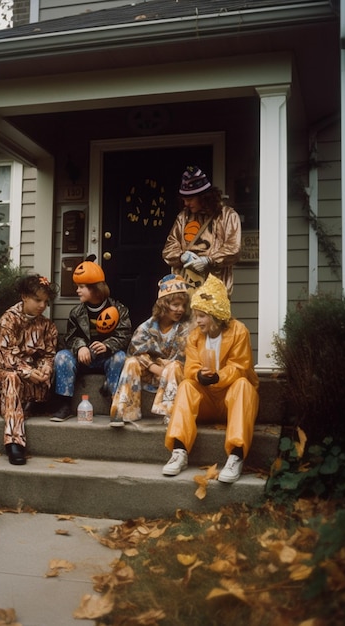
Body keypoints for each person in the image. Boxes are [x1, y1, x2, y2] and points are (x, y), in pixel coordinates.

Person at [162, 274, 259, 483]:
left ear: (216, 315)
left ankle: (236, 455)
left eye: (202, 315)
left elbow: (240, 367)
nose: (197, 321)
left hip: (230, 399)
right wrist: (198, 375)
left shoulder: (239, 331)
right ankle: (179, 451)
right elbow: (191, 367)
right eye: (196, 315)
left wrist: (218, 377)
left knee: (243, 384)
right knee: (187, 385)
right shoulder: (195, 336)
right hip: (206, 401)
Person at [0, 274, 59, 465]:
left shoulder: (47, 326)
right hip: (5, 372)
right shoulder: (8, 321)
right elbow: (7, 356)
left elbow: (48, 355)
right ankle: (14, 442)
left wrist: (44, 370)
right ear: (24, 296)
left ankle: (27, 404)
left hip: (33, 377)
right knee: (12, 377)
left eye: (45, 301)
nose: (42, 305)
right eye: (37, 300)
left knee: (48, 375)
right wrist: (27, 372)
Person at [51, 257, 131, 421]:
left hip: (106, 359)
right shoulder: (76, 313)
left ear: (95, 289)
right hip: (84, 359)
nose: (77, 290)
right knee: (62, 357)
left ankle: (114, 402)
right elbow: (71, 337)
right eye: (77, 287)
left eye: (82, 287)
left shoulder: (119, 309)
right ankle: (64, 403)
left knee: (121, 358)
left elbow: (125, 334)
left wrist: (108, 345)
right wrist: (80, 347)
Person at [109, 274, 191, 427]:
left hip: (175, 375)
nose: (180, 309)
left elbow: (184, 358)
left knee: (174, 367)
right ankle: (124, 410)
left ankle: (170, 412)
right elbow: (135, 351)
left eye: (183, 305)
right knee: (131, 362)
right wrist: (155, 368)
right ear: (164, 305)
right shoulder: (147, 326)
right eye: (175, 305)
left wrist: (165, 369)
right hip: (152, 372)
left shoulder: (186, 328)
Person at [162, 165, 241, 295]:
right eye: (184, 199)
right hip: (186, 288)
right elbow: (169, 248)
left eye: (190, 199)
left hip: (215, 290)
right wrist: (182, 256)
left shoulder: (228, 216)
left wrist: (209, 260)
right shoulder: (183, 217)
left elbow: (233, 248)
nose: (186, 203)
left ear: (204, 196)